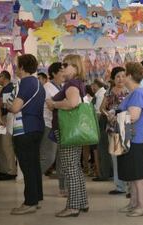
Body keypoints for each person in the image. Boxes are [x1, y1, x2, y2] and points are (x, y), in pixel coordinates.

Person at [47, 54, 89, 217]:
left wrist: (54, 103)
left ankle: (72, 206)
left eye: (66, 65)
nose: (62, 67)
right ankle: (81, 201)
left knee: (69, 168)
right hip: (73, 130)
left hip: (68, 130)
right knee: (75, 168)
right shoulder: (77, 83)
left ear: (76, 68)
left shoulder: (71, 84)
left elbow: (72, 103)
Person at [8, 54, 45, 215]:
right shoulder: (38, 82)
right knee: (34, 164)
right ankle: (36, 198)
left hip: (25, 128)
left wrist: (8, 105)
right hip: (36, 126)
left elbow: (16, 107)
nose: (16, 68)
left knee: (27, 166)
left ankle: (29, 201)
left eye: (17, 65)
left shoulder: (26, 82)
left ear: (22, 67)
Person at [117, 62, 143, 217]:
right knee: (132, 174)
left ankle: (142, 205)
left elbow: (134, 116)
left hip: (136, 138)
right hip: (130, 137)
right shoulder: (132, 93)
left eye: (124, 74)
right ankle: (134, 203)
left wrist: (116, 116)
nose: (122, 78)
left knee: (138, 175)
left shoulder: (137, 93)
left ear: (130, 75)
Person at [100, 66, 129, 195]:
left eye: (123, 76)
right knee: (116, 157)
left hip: (127, 128)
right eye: (118, 76)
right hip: (113, 128)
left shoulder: (129, 92)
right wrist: (108, 115)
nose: (121, 79)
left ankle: (130, 185)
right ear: (113, 78)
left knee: (128, 156)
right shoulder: (109, 92)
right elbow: (102, 108)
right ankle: (120, 186)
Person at [39, 62, 67, 196]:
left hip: (61, 126)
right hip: (49, 125)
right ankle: (32, 180)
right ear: (54, 73)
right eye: (61, 71)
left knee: (62, 158)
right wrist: (66, 104)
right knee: (48, 157)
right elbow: (51, 106)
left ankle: (63, 188)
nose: (64, 73)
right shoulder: (47, 87)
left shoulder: (62, 86)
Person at [0, 70, 17, 181]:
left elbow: (4, 104)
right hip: (2, 120)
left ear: (5, 77)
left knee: (6, 144)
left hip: (6, 119)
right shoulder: (4, 89)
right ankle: (3, 169)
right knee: (0, 144)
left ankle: (11, 170)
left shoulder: (9, 88)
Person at [92, 78, 113, 182]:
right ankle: (107, 173)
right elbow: (102, 109)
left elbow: (101, 109)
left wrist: (108, 114)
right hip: (108, 122)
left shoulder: (106, 93)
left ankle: (105, 173)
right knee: (106, 149)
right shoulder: (108, 92)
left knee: (104, 149)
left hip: (105, 122)